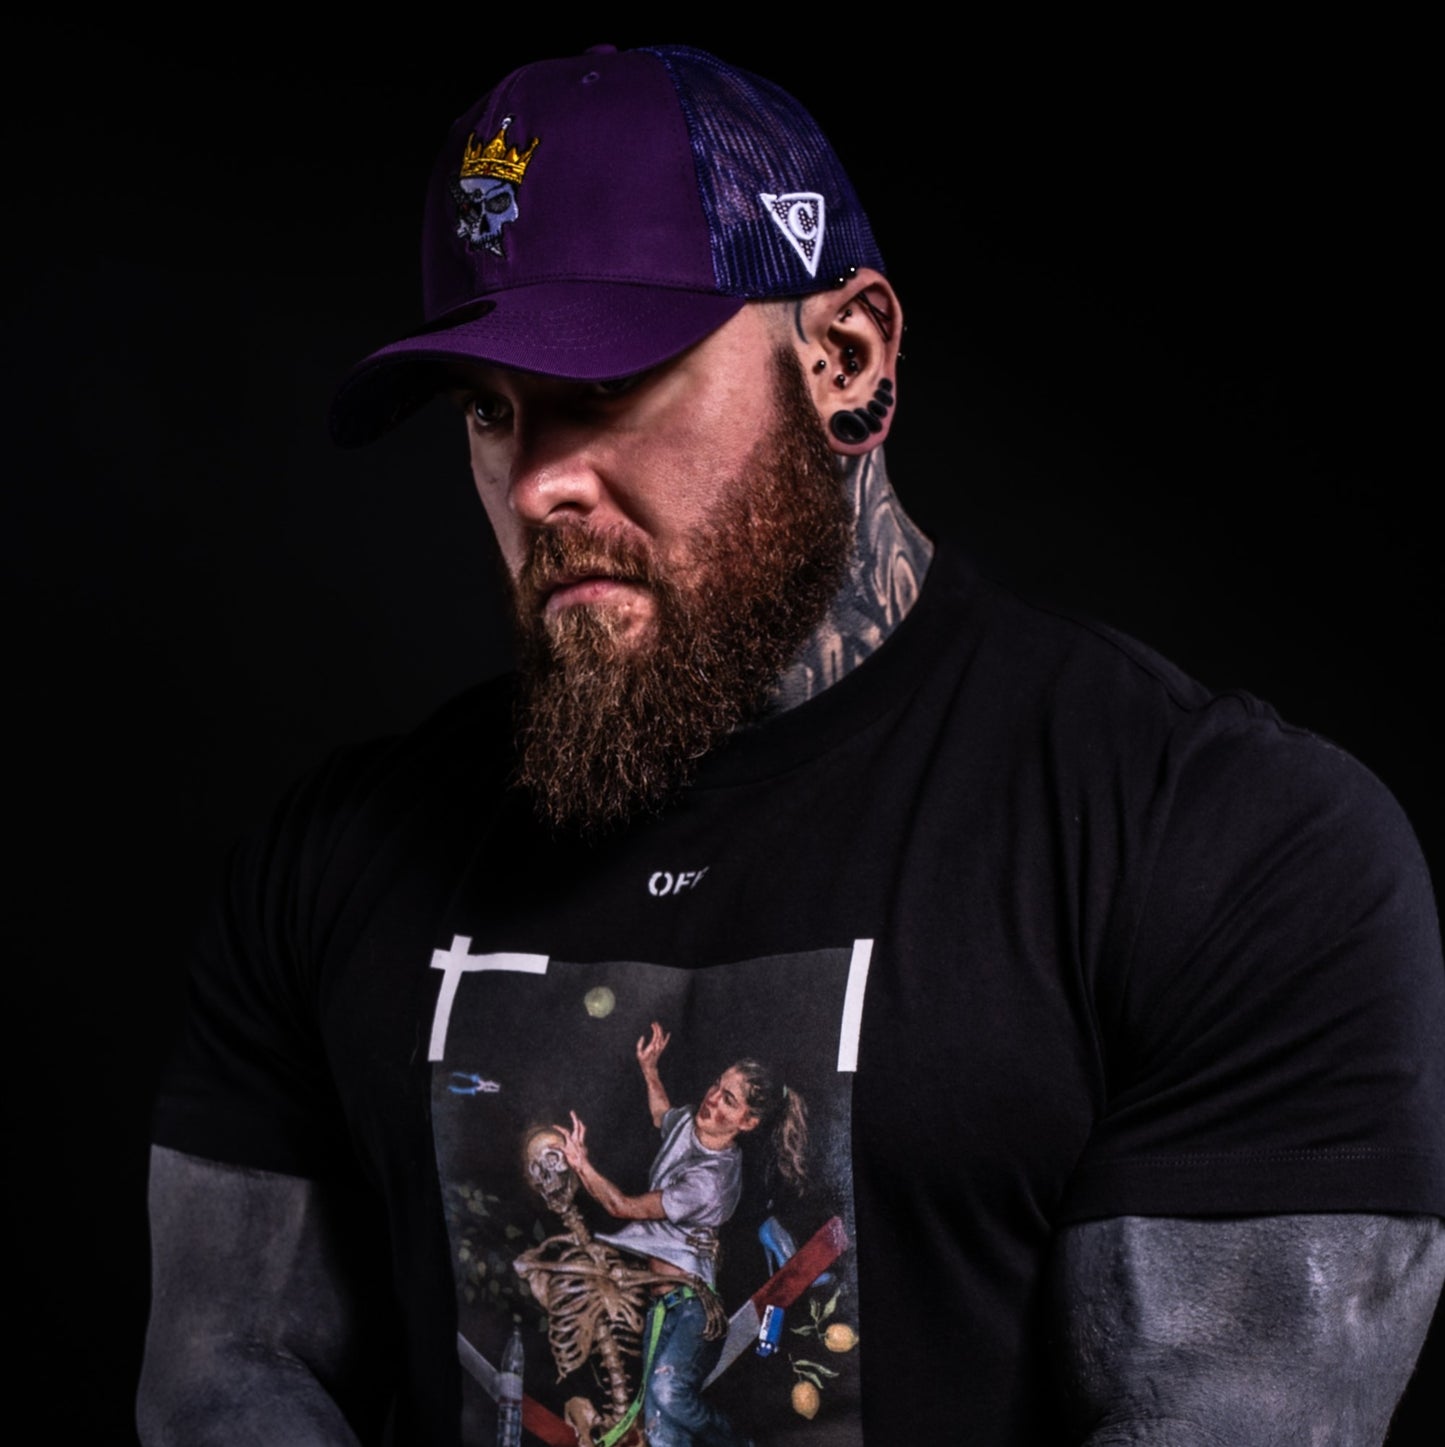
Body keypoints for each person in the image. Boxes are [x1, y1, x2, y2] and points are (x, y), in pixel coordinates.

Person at [137, 42, 1445, 1447]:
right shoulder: (336, 863)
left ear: (847, 361)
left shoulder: (1217, 840)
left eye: (606, 383)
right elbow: (227, 1377)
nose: (536, 481)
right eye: (489, 409)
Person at [556, 1023, 807, 1447]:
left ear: (748, 1122)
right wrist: (650, 1070)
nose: (713, 1098)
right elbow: (663, 1117)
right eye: (717, 1086)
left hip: (693, 1309)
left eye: (729, 1100)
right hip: (661, 1306)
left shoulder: (713, 1181)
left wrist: (581, 1164)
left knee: (669, 1392)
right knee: (660, 1431)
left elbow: (622, 1207)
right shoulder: (690, 1125)